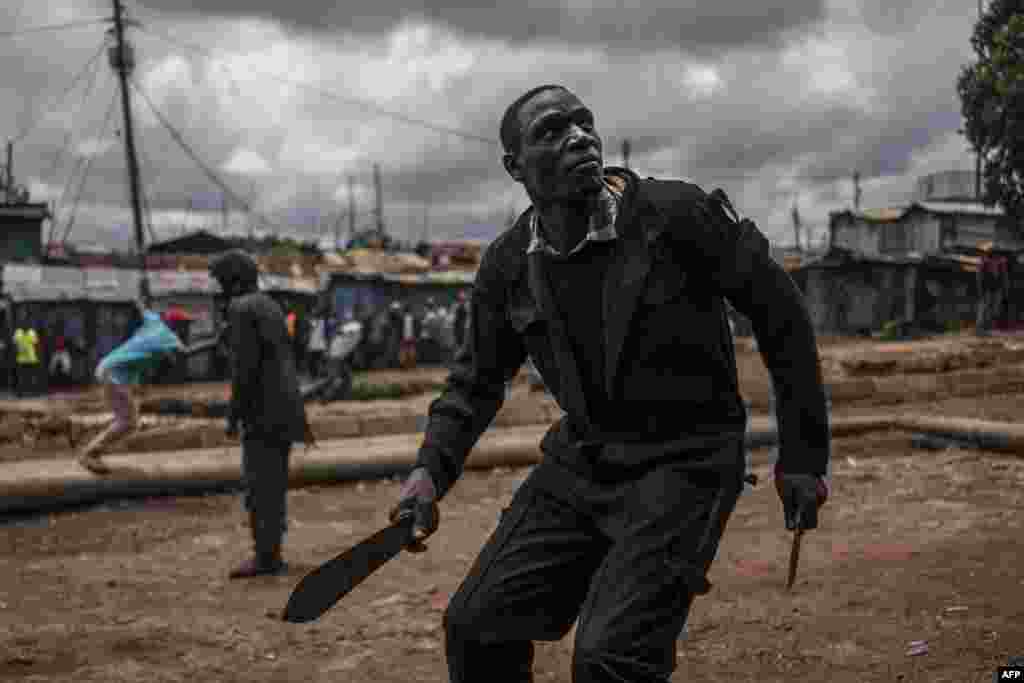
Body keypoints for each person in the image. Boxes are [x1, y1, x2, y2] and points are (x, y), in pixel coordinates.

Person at [387, 84, 831, 683]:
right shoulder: (508, 265)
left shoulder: (677, 216)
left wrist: (803, 456)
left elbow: (783, 316)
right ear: (515, 166)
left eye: (583, 122)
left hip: (687, 462)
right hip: (585, 463)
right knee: (476, 627)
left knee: (609, 659)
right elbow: (475, 382)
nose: (578, 137)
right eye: (551, 130)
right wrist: (428, 473)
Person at [209, 249, 314, 579]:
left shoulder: (240, 309)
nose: (219, 289)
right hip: (285, 408)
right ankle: (272, 552)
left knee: (258, 485)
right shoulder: (268, 305)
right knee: (273, 484)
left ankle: (265, 558)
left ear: (233, 280)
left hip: (263, 412)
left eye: (221, 281)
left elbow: (245, 370)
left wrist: (232, 415)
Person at [78, 303, 184, 474]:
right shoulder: (167, 337)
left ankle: (93, 452)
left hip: (109, 369)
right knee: (129, 421)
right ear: (175, 325)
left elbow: (142, 307)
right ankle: (90, 454)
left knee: (128, 419)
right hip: (113, 376)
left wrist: (138, 297)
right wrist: (214, 341)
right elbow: (185, 353)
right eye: (183, 325)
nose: (184, 329)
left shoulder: (155, 322)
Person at [976, 243, 1009, 336]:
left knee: (995, 309)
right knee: (984, 307)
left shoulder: (1001, 263)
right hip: (987, 288)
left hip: (997, 288)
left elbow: (1004, 276)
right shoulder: (984, 262)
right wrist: (980, 289)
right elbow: (980, 277)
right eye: (994, 253)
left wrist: (1005, 288)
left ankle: (989, 327)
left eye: (997, 253)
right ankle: (981, 328)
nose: (996, 255)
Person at [13, 315, 41, 398]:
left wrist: (38, 356)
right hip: (21, 359)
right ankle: (20, 393)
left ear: (29, 324)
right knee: (21, 377)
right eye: (23, 322)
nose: (25, 324)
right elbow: (14, 344)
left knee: (33, 376)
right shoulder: (18, 332)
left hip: (32, 358)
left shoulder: (32, 332)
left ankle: (34, 392)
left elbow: (36, 344)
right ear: (21, 324)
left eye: (27, 323)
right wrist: (16, 353)